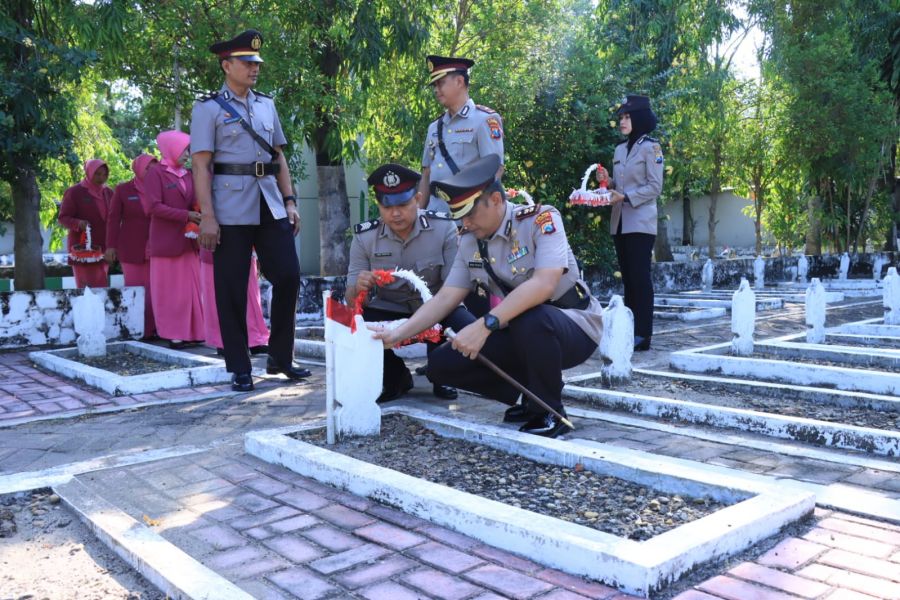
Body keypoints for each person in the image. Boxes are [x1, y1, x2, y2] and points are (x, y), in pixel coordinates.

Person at [375, 154, 603, 439]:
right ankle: (528, 395)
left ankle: (548, 409)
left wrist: (483, 326)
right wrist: (396, 335)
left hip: (574, 325)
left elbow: (544, 284)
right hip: (520, 330)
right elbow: (446, 297)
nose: (466, 222)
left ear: (496, 200)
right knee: (442, 366)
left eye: (471, 214)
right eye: (460, 216)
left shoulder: (540, 220)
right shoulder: (470, 240)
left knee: (530, 316)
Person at [190, 29, 309, 393]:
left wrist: (290, 202)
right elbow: (200, 166)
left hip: (269, 201)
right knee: (231, 288)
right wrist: (207, 215)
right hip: (228, 207)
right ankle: (240, 367)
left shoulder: (266, 105)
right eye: (246, 62)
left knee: (288, 275)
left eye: (256, 62)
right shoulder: (207, 108)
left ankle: (280, 358)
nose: (254, 68)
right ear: (226, 65)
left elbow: (279, 157)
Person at [347, 164, 470, 403]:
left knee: (463, 321)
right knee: (355, 326)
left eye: (403, 205)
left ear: (418, 199)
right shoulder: (365, 237)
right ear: (379, 206)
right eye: (387, 206)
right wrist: (358, 287)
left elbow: (452, 287)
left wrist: (436, 313)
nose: (395, 213)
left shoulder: (443, 228)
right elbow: (351, 300)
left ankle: (441, 373)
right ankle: (396, 377)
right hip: (389, 307)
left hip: (437, 307)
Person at [598, 94, 664, 351]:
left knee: (640, 278)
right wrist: (608, 182)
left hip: (640, 222)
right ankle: (630, 329)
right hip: (620, 222)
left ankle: (643, 334)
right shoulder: (619, 149)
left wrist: (625, 196)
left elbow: (655, 186)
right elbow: (618, 187)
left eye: (627, 117)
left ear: (638, 118)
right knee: (627, 278)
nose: (622, 122)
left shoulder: (652, 148)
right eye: (621, 117)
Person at [417, 55, 505, 213]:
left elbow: (495, 170)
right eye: (434, 85)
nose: (436, 90)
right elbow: (426, 174)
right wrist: (418, 213)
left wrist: (480, 215)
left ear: (459, 81)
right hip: (434, 216)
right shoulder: (434, 127)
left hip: (467, 218)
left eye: (441, 83)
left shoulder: (484, 120)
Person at [143, 130, 205, 348]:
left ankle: (196, 331)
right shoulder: (156, 174)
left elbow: (195, 200)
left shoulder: (188, 174)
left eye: (188, 149)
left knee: (192, 288)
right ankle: (173, 333)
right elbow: (153, 207)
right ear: (171, 149)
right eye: (184, 150)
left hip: (189, 241)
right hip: (166, 242)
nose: (187, 154)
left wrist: (199, 212)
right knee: (169, 291)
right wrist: (186, 215)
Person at [107, 153, 159, 338]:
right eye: (148, 167)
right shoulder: (123, 190)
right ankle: (138, 330)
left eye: (155, 167)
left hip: (158, 246)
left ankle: (156, 330)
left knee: (156, 292)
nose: (152, 171)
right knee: (136, 291)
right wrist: (110, 246)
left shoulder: (160, 188)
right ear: (137, 169)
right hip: (131, 247)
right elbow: (113, 220)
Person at [199, 247, 269, 355]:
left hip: (243, 239)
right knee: (217, 296)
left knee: (250, 295)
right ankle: (223, 341)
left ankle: (254, 340)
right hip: (215, 240)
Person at [59, 159, 112, 288]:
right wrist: (78, 223)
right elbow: (63, 218)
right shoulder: (74, 192)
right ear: (89, 172)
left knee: (101, 286)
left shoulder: (109, 193)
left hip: (103, 248)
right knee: (87, 289)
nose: (101, 178)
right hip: (83, 250)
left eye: (104, 174)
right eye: (97, 174)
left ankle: (99, 309)